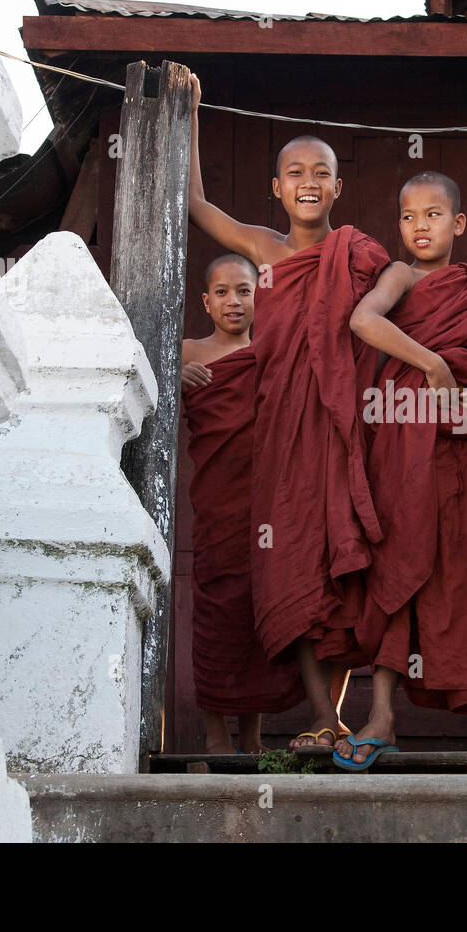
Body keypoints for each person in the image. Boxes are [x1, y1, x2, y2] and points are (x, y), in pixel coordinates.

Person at [186, 72, 386, 750]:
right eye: (294, 171)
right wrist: (190, 110)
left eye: (321, 172)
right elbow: (194, 202)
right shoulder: (266, 251)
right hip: (284, 439)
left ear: (337, 188)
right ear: (277, 188)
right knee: (294, 568)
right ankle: (324, 719)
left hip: (343, 434)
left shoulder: (358, 255)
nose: (307, 181)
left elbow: (396, 324)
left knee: (343, 571)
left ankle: (336, 715)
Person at [334, 172, 467, 769]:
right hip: (404, 444)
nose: (419, 226)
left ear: (458, 223)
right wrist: (431, 365)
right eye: (408, 216)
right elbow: (362, 322)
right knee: (401, 564)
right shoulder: (400, 276)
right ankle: (380, 714)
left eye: (432, 215)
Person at [181, 254, 304, 754]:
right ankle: (215, 734)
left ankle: (252, 736)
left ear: (260, 297)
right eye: (224, 292)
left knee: (258, 608)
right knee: (216, 609)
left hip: (266, 503)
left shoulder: (271, 353)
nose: (235, 301)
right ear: (206, 301)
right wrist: (175, 373)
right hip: (217, 504)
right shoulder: (187, 351)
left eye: (245, 291)